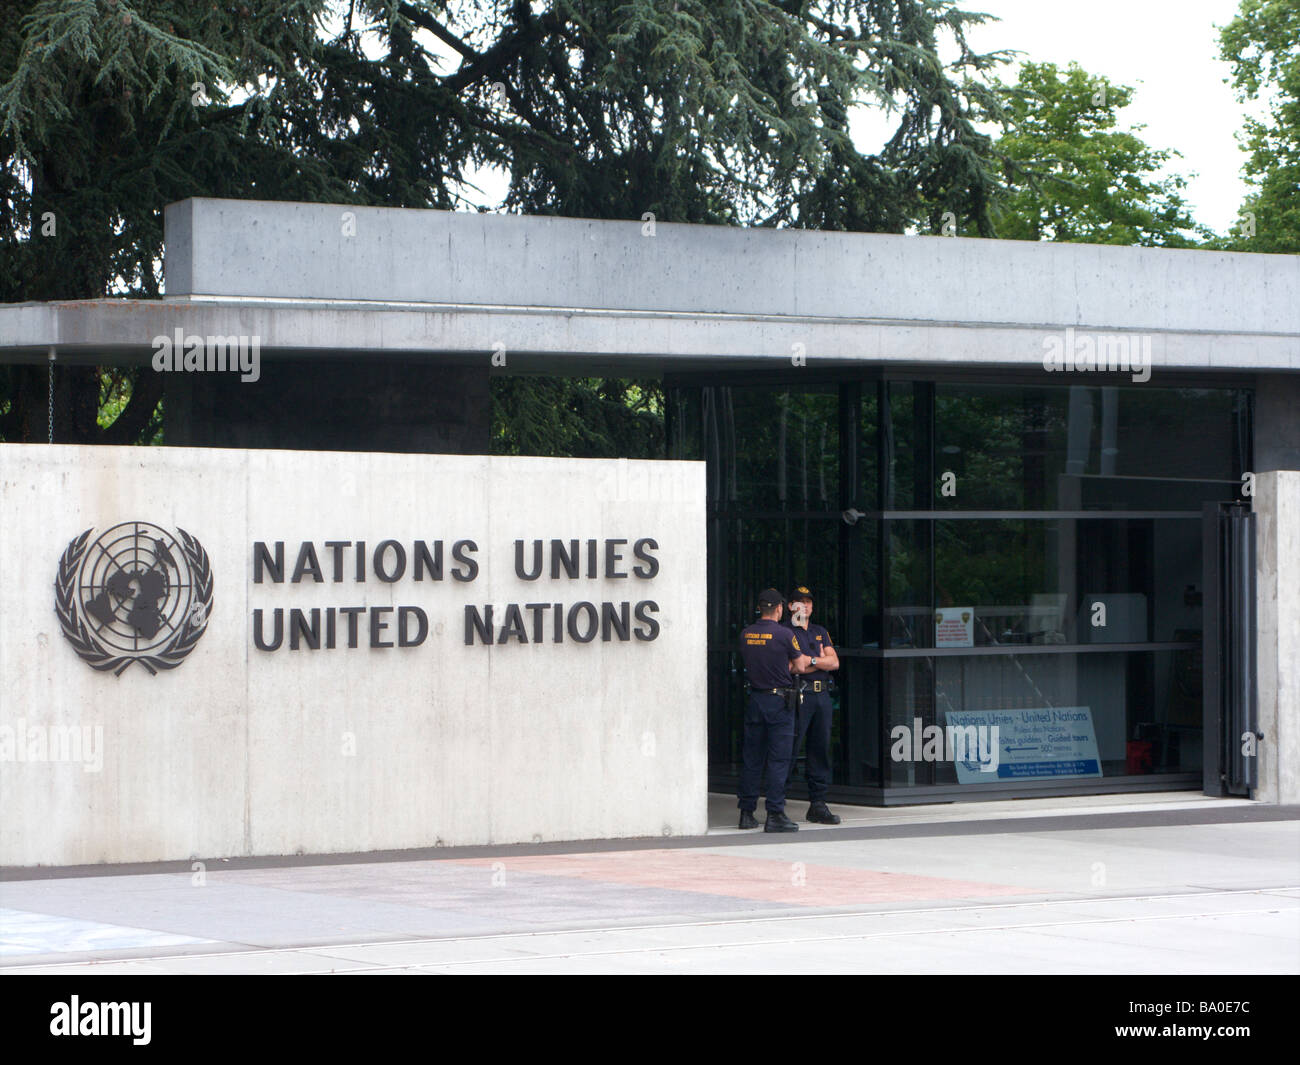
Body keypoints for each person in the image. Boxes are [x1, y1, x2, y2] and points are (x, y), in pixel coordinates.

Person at [737, 587, 812, 832]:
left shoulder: (746, 634)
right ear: (779, 608)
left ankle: (746, 813)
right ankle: (775, 814)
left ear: (760, 608)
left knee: (752, 759)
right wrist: (786, 664)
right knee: (779, 759)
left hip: (755, 700)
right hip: (779, 702)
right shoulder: (783, 634)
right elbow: (800, 665)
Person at [784, 585, 842, 824]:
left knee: (820, 750)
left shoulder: (820, 631)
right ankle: (777, 805)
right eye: (799, 602)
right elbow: (791, 667)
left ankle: (818, 804)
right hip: (799, 695)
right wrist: (820, 661)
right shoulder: (785, 632)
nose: (804, 606)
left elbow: (835, 662)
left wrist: (812, 660)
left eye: (808, 602)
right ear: (790, 606)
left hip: (821, 697)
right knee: (789, 748)